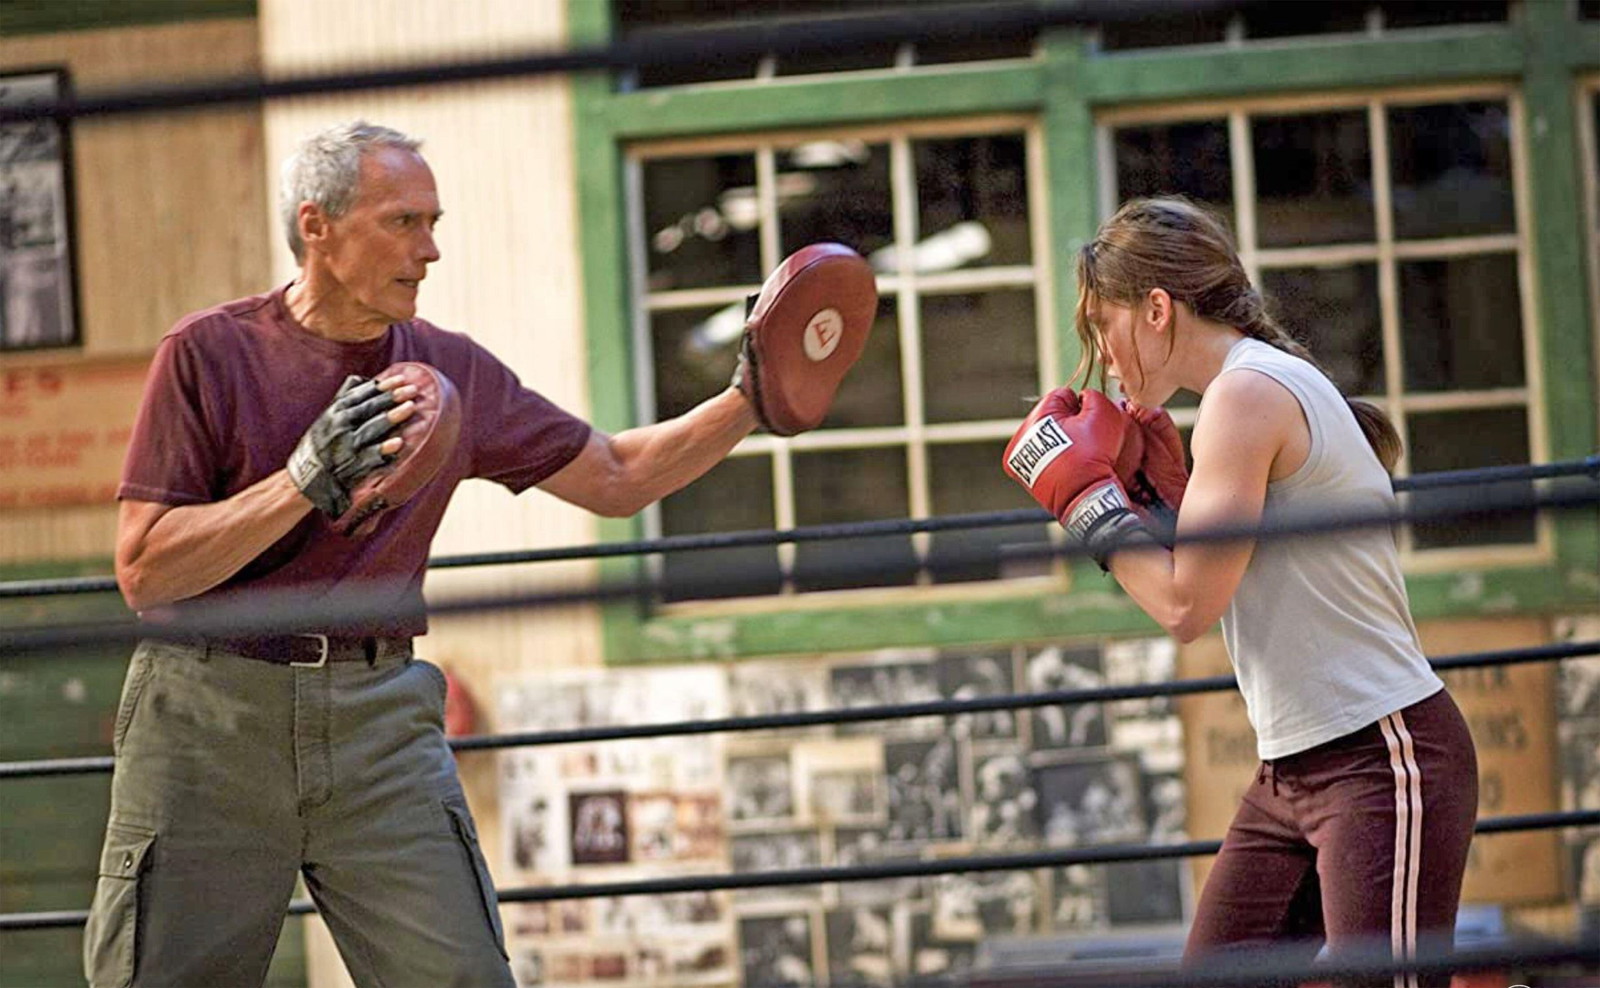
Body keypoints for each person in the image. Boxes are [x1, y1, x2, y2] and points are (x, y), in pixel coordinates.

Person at [84, 121, 767, 986]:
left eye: (433, 222)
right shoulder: (210, 354)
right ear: (316, 228)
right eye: (403, 222)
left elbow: (617, 475)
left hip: (380, 718)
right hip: (210, 717)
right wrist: (303, 478)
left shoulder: (453, 372)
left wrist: (750, 398)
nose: (431, 249)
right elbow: (145, 571)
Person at [1003, 196, 1478, 987]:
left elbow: (1187, 606)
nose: (1101, 356)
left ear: (1156, 310)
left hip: (1379, 756)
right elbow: (1218, 569)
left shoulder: (1245, 394)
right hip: (1291, 772)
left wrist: (1089, 506)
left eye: (1103, 328)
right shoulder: (1246, 392)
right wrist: (1157, 502)